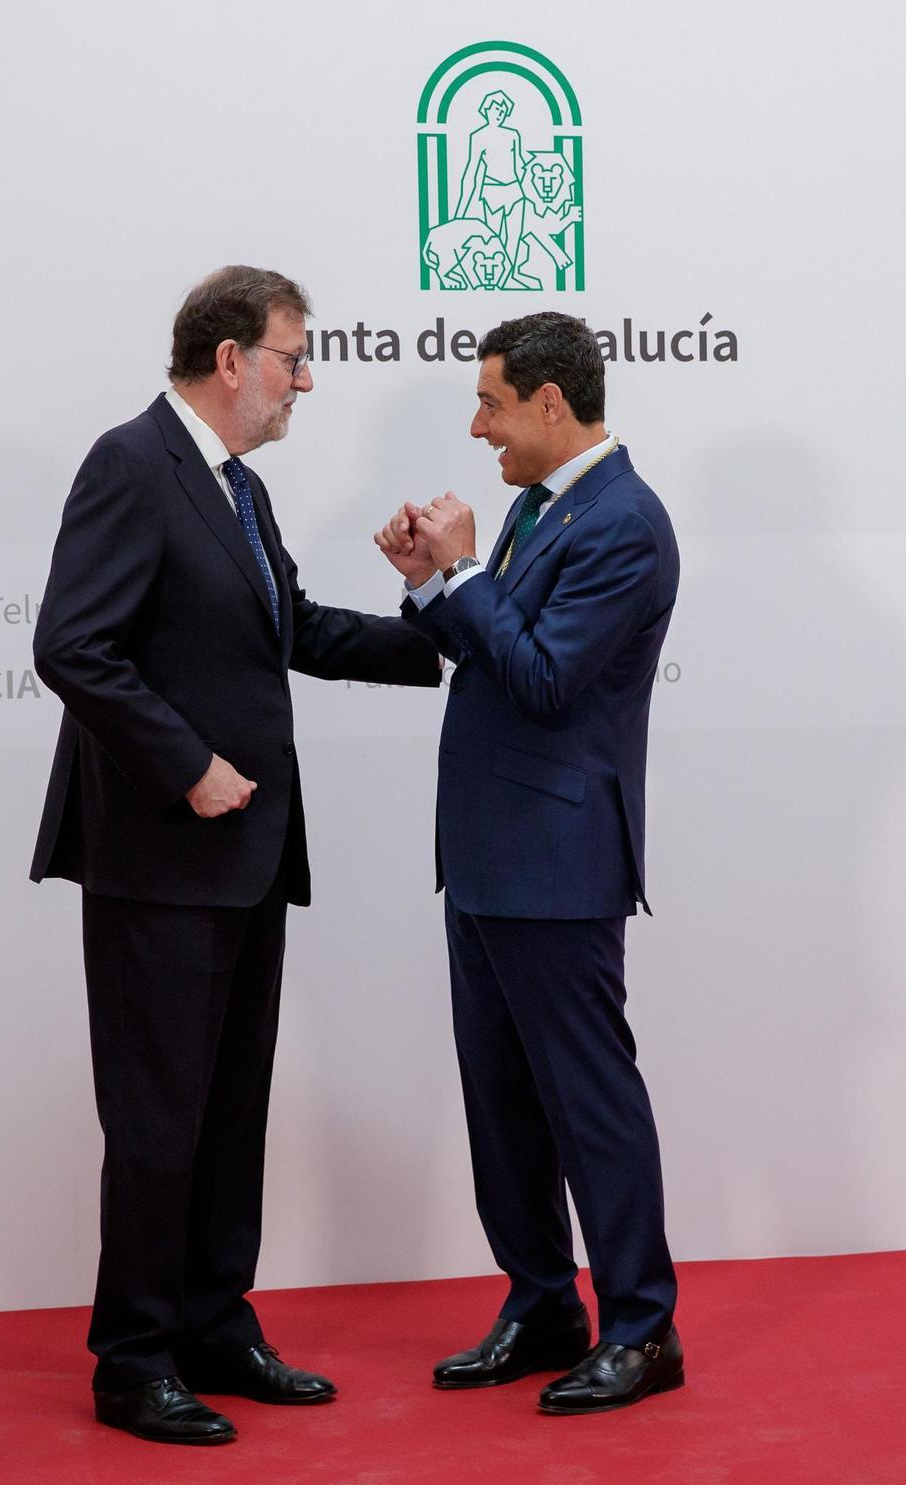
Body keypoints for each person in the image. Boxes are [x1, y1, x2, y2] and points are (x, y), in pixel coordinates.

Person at [30, 265, 440, 1446]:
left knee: (227, 1113)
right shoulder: (130, 463)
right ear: (230, 360)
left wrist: (433, 623)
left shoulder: (240, 492)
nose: (303, 380)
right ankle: (134, 1361)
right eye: (293, 357)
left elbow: (295, 631)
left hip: (249, 858)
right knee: (159, 1121)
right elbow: (74, 645)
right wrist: (187, 763)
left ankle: (214, 1324)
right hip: (162, 853)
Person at [374, 311, 683, 1415]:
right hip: (490, 858)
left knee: (588, 1100)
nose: (478, 426)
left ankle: (643, 1330)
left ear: (553, 403)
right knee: (501, 1100)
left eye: (492, 404)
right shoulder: (536, 506)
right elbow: (492, 657)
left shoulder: (626, 524)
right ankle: (544, 1302)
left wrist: (464, 576)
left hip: (559, 860)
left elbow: (547, 680)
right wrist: (434, 583)